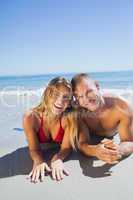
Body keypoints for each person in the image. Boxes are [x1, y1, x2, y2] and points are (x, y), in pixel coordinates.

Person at [23, 77, 78, 183]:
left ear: (70, 101)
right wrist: (38, 161)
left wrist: (57, 159)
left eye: (65, 97)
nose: (60, 101)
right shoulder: (31, 118)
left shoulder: (68, 118)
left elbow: (66, 148)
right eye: (56, 94)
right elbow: (34, 149)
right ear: (48, 93)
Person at [71, 73, 133, 164]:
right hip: (93, 137)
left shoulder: (121, 106)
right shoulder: (79, 113)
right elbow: (82, 144)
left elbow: (128, 141)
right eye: (80, 96)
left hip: (113, 134)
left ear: (97, 86)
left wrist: (117, 151)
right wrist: (95, 151)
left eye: (89, 92)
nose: (86, 99)